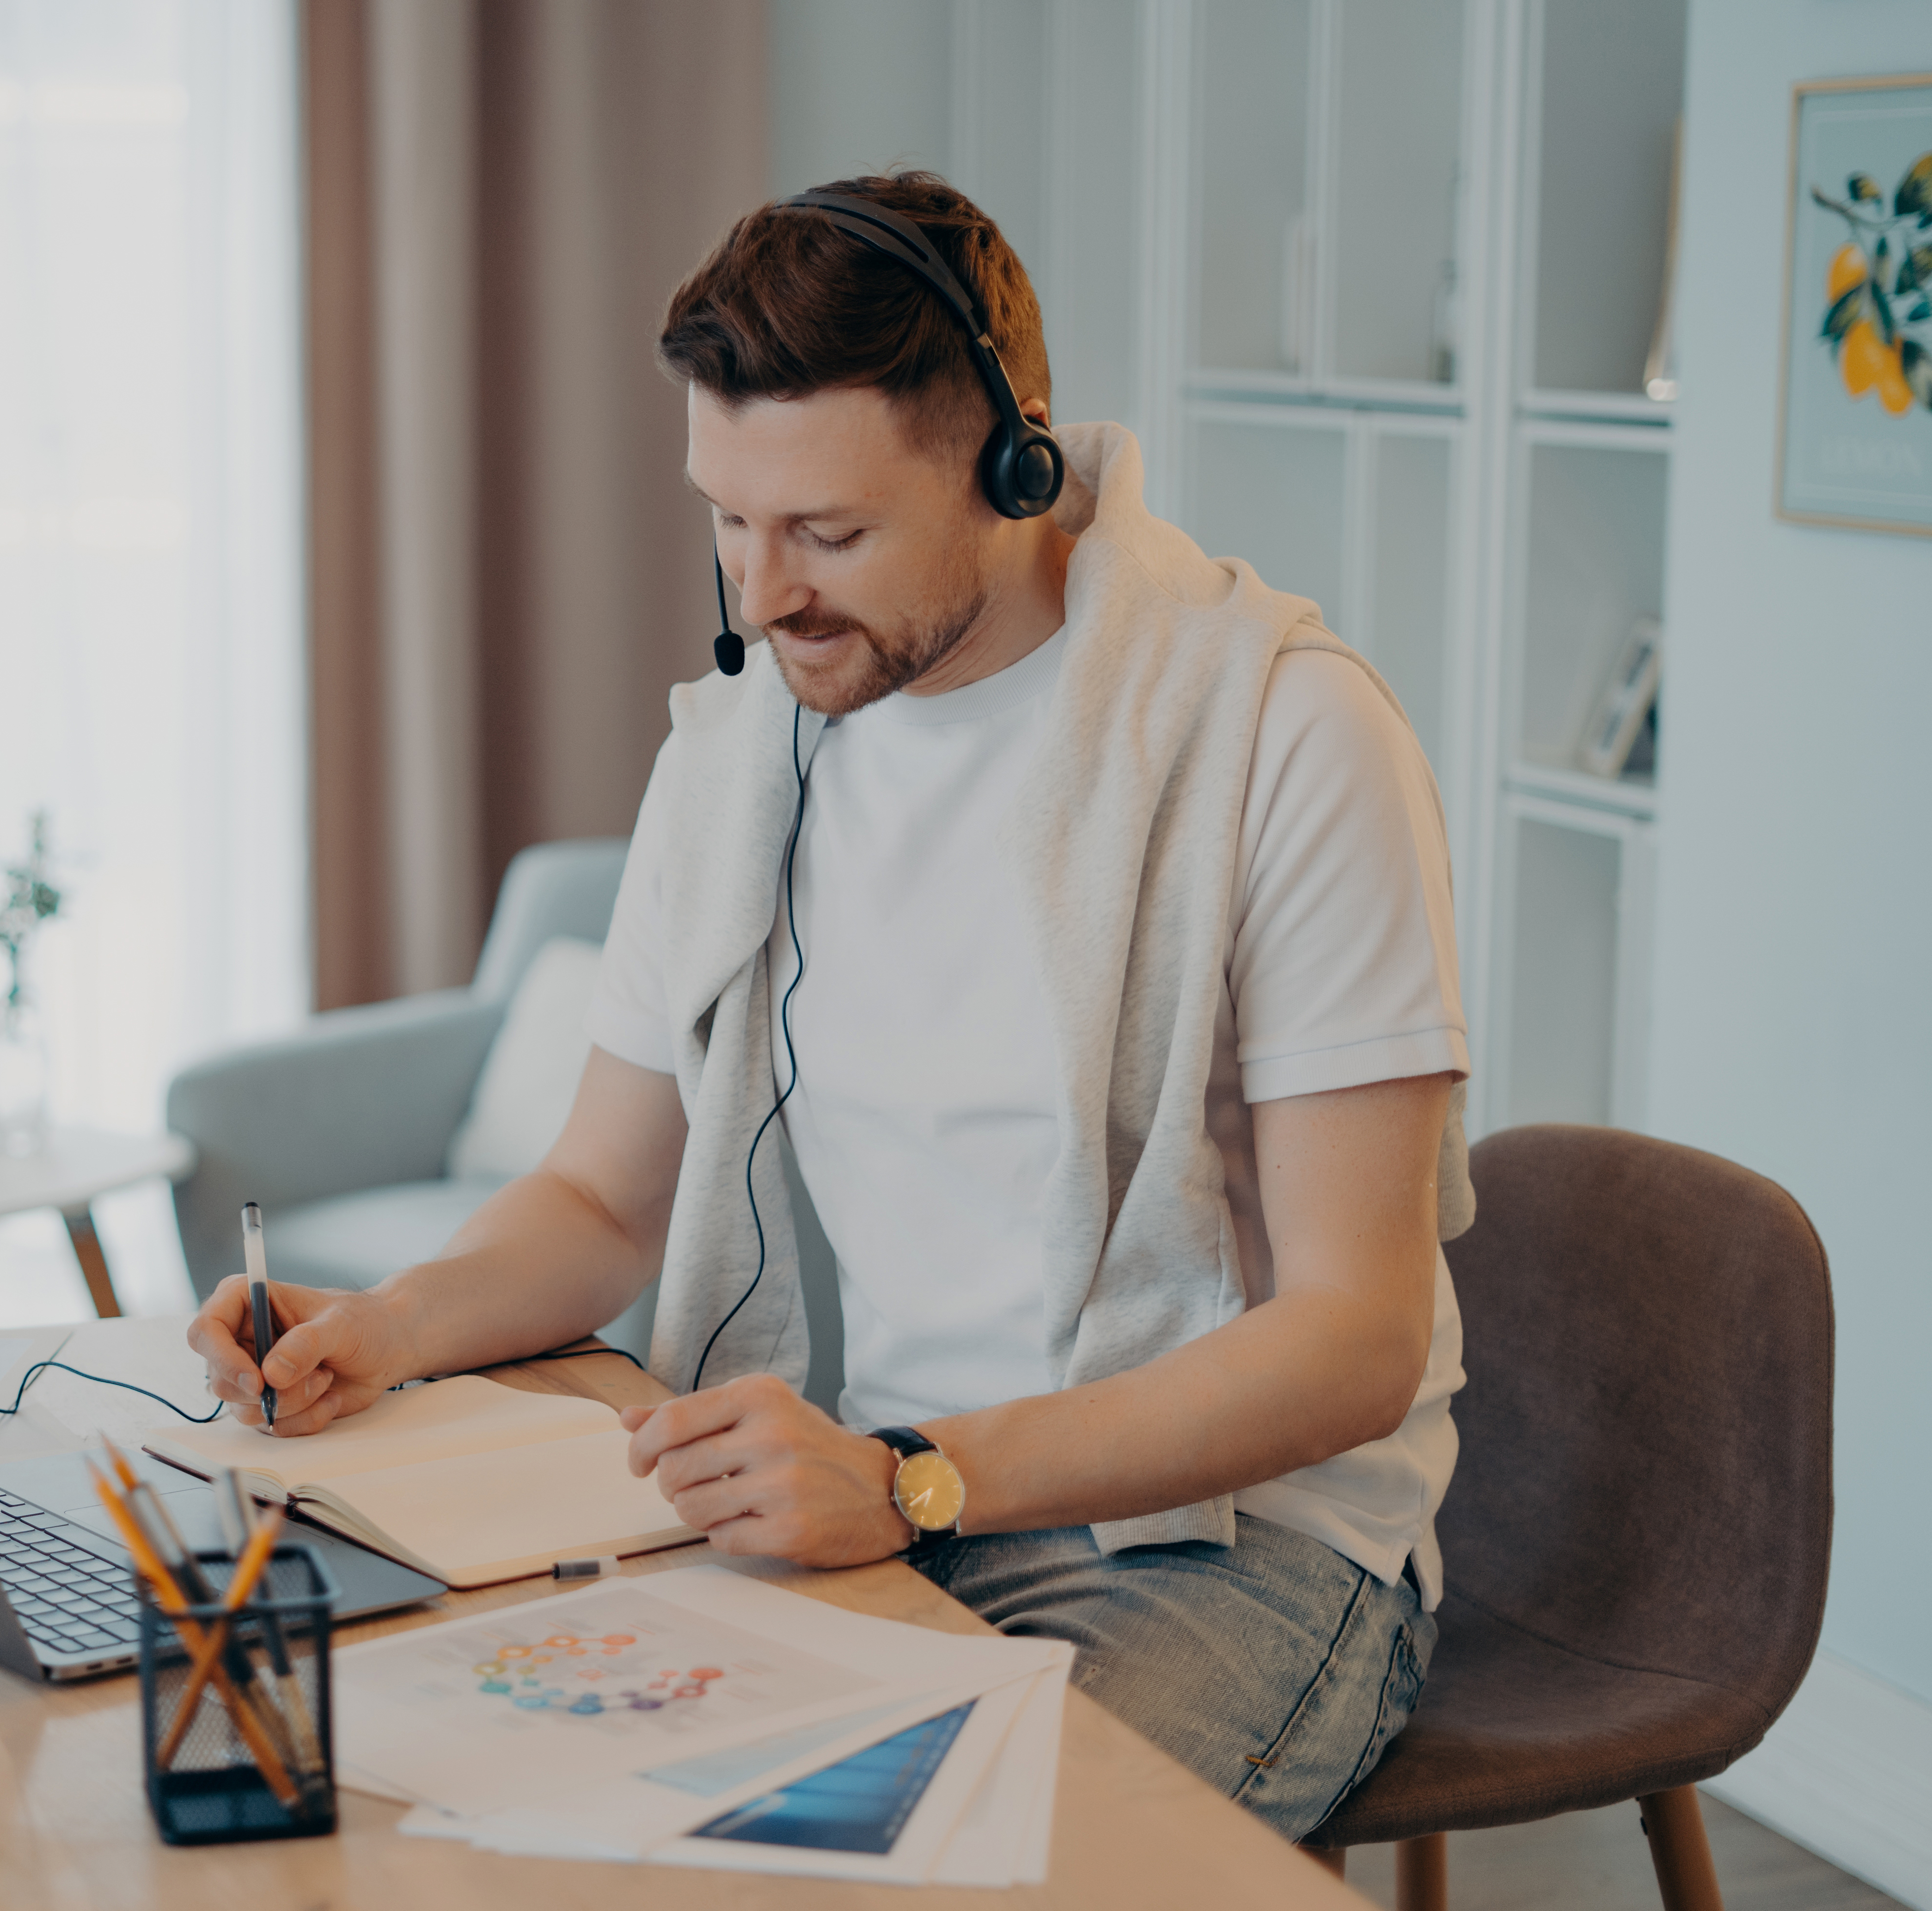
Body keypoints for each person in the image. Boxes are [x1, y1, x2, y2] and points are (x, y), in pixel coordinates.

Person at [188, 171, 1470, 1840]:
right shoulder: (738, 759)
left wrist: (919, 1477)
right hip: (894, 1495)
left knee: (944, 1863)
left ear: (1013, 468)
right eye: (728, 520)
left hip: (1232, 1547)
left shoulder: (1284, 739)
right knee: (520, 1812)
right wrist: (394, 1324)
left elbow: (1357, 1337)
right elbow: (600, 1198)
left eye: (830, 534)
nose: (761, 594)